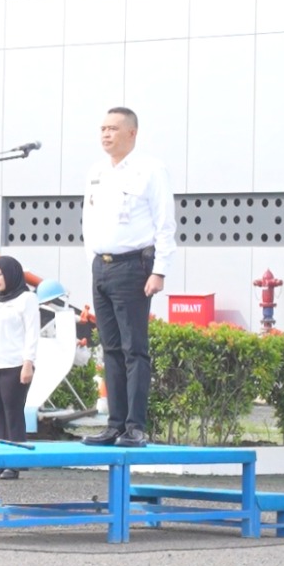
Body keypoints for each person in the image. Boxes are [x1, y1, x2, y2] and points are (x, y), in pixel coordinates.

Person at [81, 106, 175, 448]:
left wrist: (159, 271)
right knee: (110, 349)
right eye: (102, 128)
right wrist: (91, 263)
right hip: (101, 267)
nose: (106, 134)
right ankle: (114, 424)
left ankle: (135, 426)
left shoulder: (150, 170)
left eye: (113, 129)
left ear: (132, 133)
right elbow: (88, 221)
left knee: (135, 348)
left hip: (134, 266)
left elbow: (165, 223)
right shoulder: (95, 172)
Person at [0, 255, 40, 478]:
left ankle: (14, 462)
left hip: (15, 363)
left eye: (0, 274)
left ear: (11, 274)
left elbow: (32, 333)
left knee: (12, 412)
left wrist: (28, 363)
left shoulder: (26, 299)